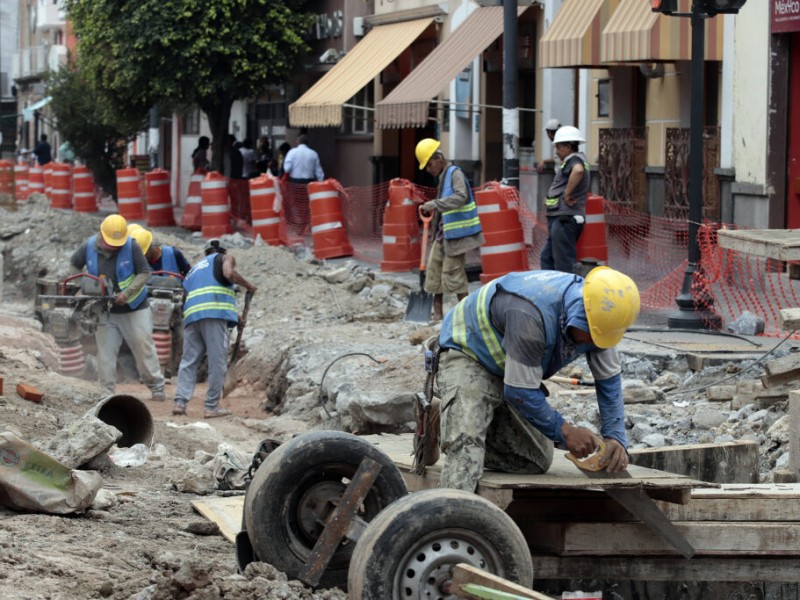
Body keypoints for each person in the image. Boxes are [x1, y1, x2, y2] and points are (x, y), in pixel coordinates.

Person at [430, 267, 640, 493]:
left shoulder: (602, 318)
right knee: (466, 450)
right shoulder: (531, 314)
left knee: (534, 460)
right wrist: (566, 431)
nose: (597, 343)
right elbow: (519, 391)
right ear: (581, 314)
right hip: (469, 351)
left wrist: (615, 437)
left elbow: (609, 383)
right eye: (593, 335)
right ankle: (454, 520)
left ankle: (446, 422)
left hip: (512, 366)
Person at [69, 214, 166, 401]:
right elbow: (74, 266)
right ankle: (106, 393)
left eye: (118, 243)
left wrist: (127, 293)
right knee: (105, 353)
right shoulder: (88, 246)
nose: (114, 246)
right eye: (111, 243)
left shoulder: (131, 246)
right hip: (105, 309)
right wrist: (85, 283)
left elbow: (144, 273)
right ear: (102, 235)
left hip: (134, 307)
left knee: (143, 346)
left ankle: (156, 386)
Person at [171, 238, 258, 418]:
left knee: (189, 361)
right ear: (222, 252)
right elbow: (227, 274)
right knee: (217, 361)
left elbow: (200, 296)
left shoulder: (193, 271)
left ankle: (180, 403)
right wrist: (248, 285)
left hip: (192, 317)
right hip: (214, 315)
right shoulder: (225, 258)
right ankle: (211, 406)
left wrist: (235, 318)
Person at [415, 138, 484, 322]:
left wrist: (435, 204)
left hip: (457, 235)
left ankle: (469, 316)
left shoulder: (455, 174)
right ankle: (438, 316)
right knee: (434, 272)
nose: (429, 169)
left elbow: (461, 197)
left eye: (429, 165)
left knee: (453, 274)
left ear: (438, 158)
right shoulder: (443, 177)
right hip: (442, 235)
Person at [540, 126, 590, 274]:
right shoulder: (577, 158)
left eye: (559, 147)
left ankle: (567, 294)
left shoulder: (574, 160)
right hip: (561, 218)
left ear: (568, 147)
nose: (556, 151)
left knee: (564, 264)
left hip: (564, 218)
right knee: (547, 258)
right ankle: (551, 291)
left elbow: (578, 170)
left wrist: (567, 194)